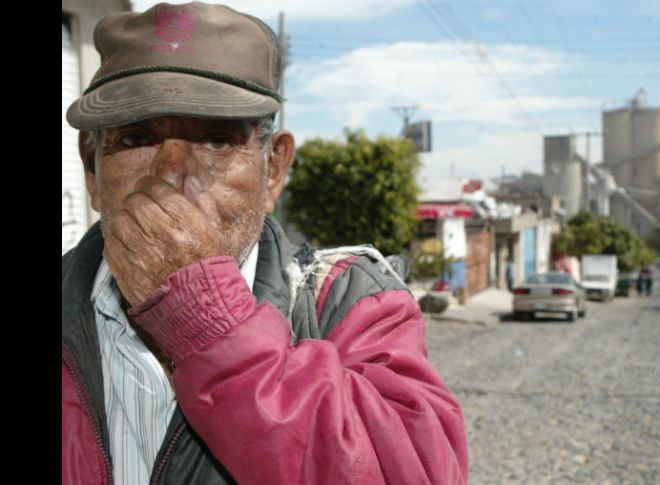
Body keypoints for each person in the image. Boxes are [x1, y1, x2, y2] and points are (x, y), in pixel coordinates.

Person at [61, 3, 468, 484]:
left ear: (273, 169)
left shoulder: (351, 301)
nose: (170, 175)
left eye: (215, 140)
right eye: (134, 139)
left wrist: (208, 321)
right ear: (92, 168)